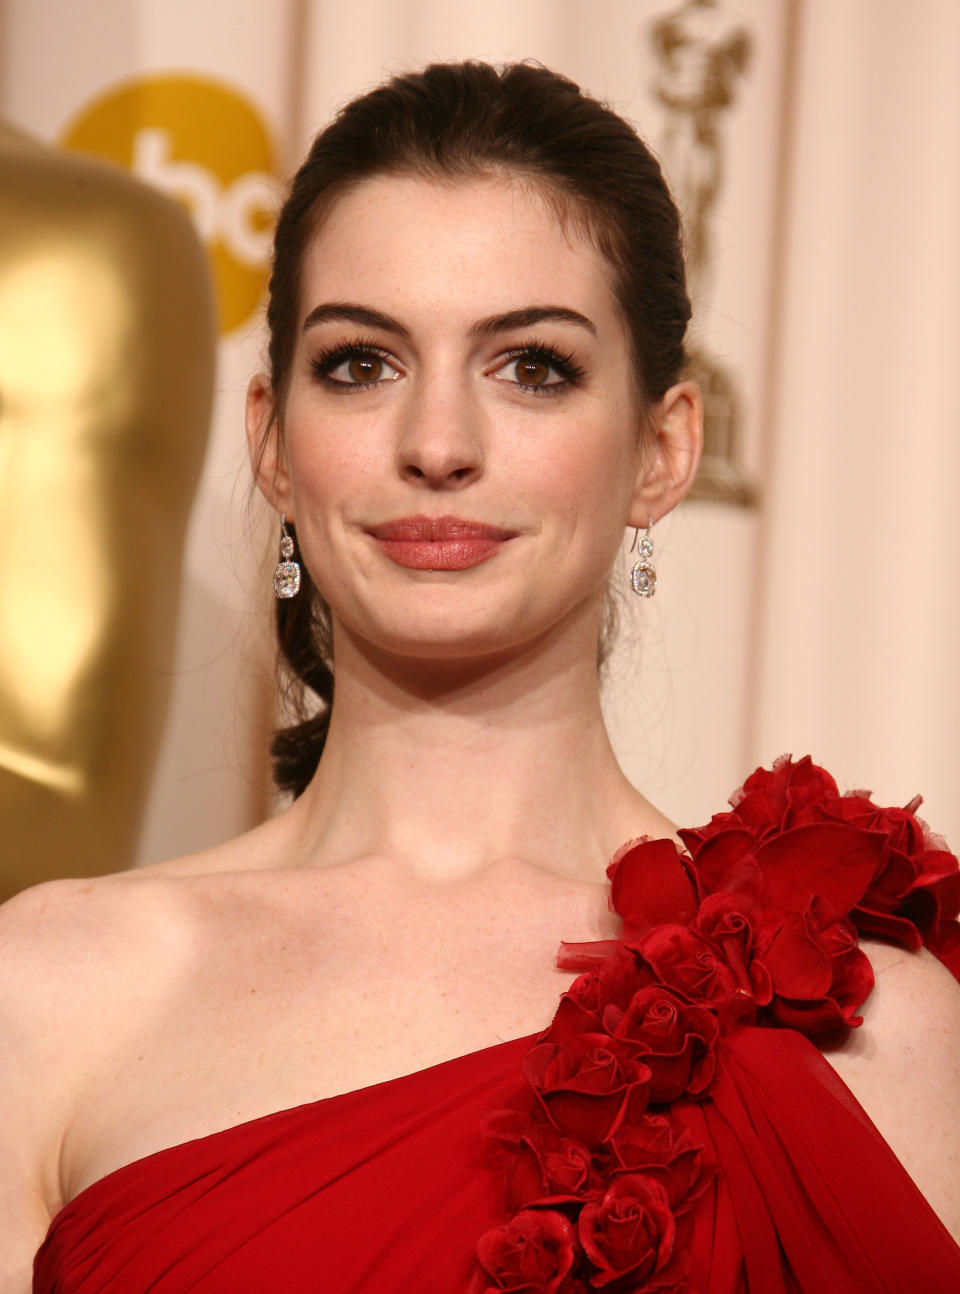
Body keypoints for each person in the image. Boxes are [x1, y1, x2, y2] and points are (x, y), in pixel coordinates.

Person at [3, 61, 959, 1293]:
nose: (437, 445)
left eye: (533, 367)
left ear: (662, 451)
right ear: (272, 444)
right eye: (361, 363)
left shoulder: (872, 1024)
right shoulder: (56, 993)